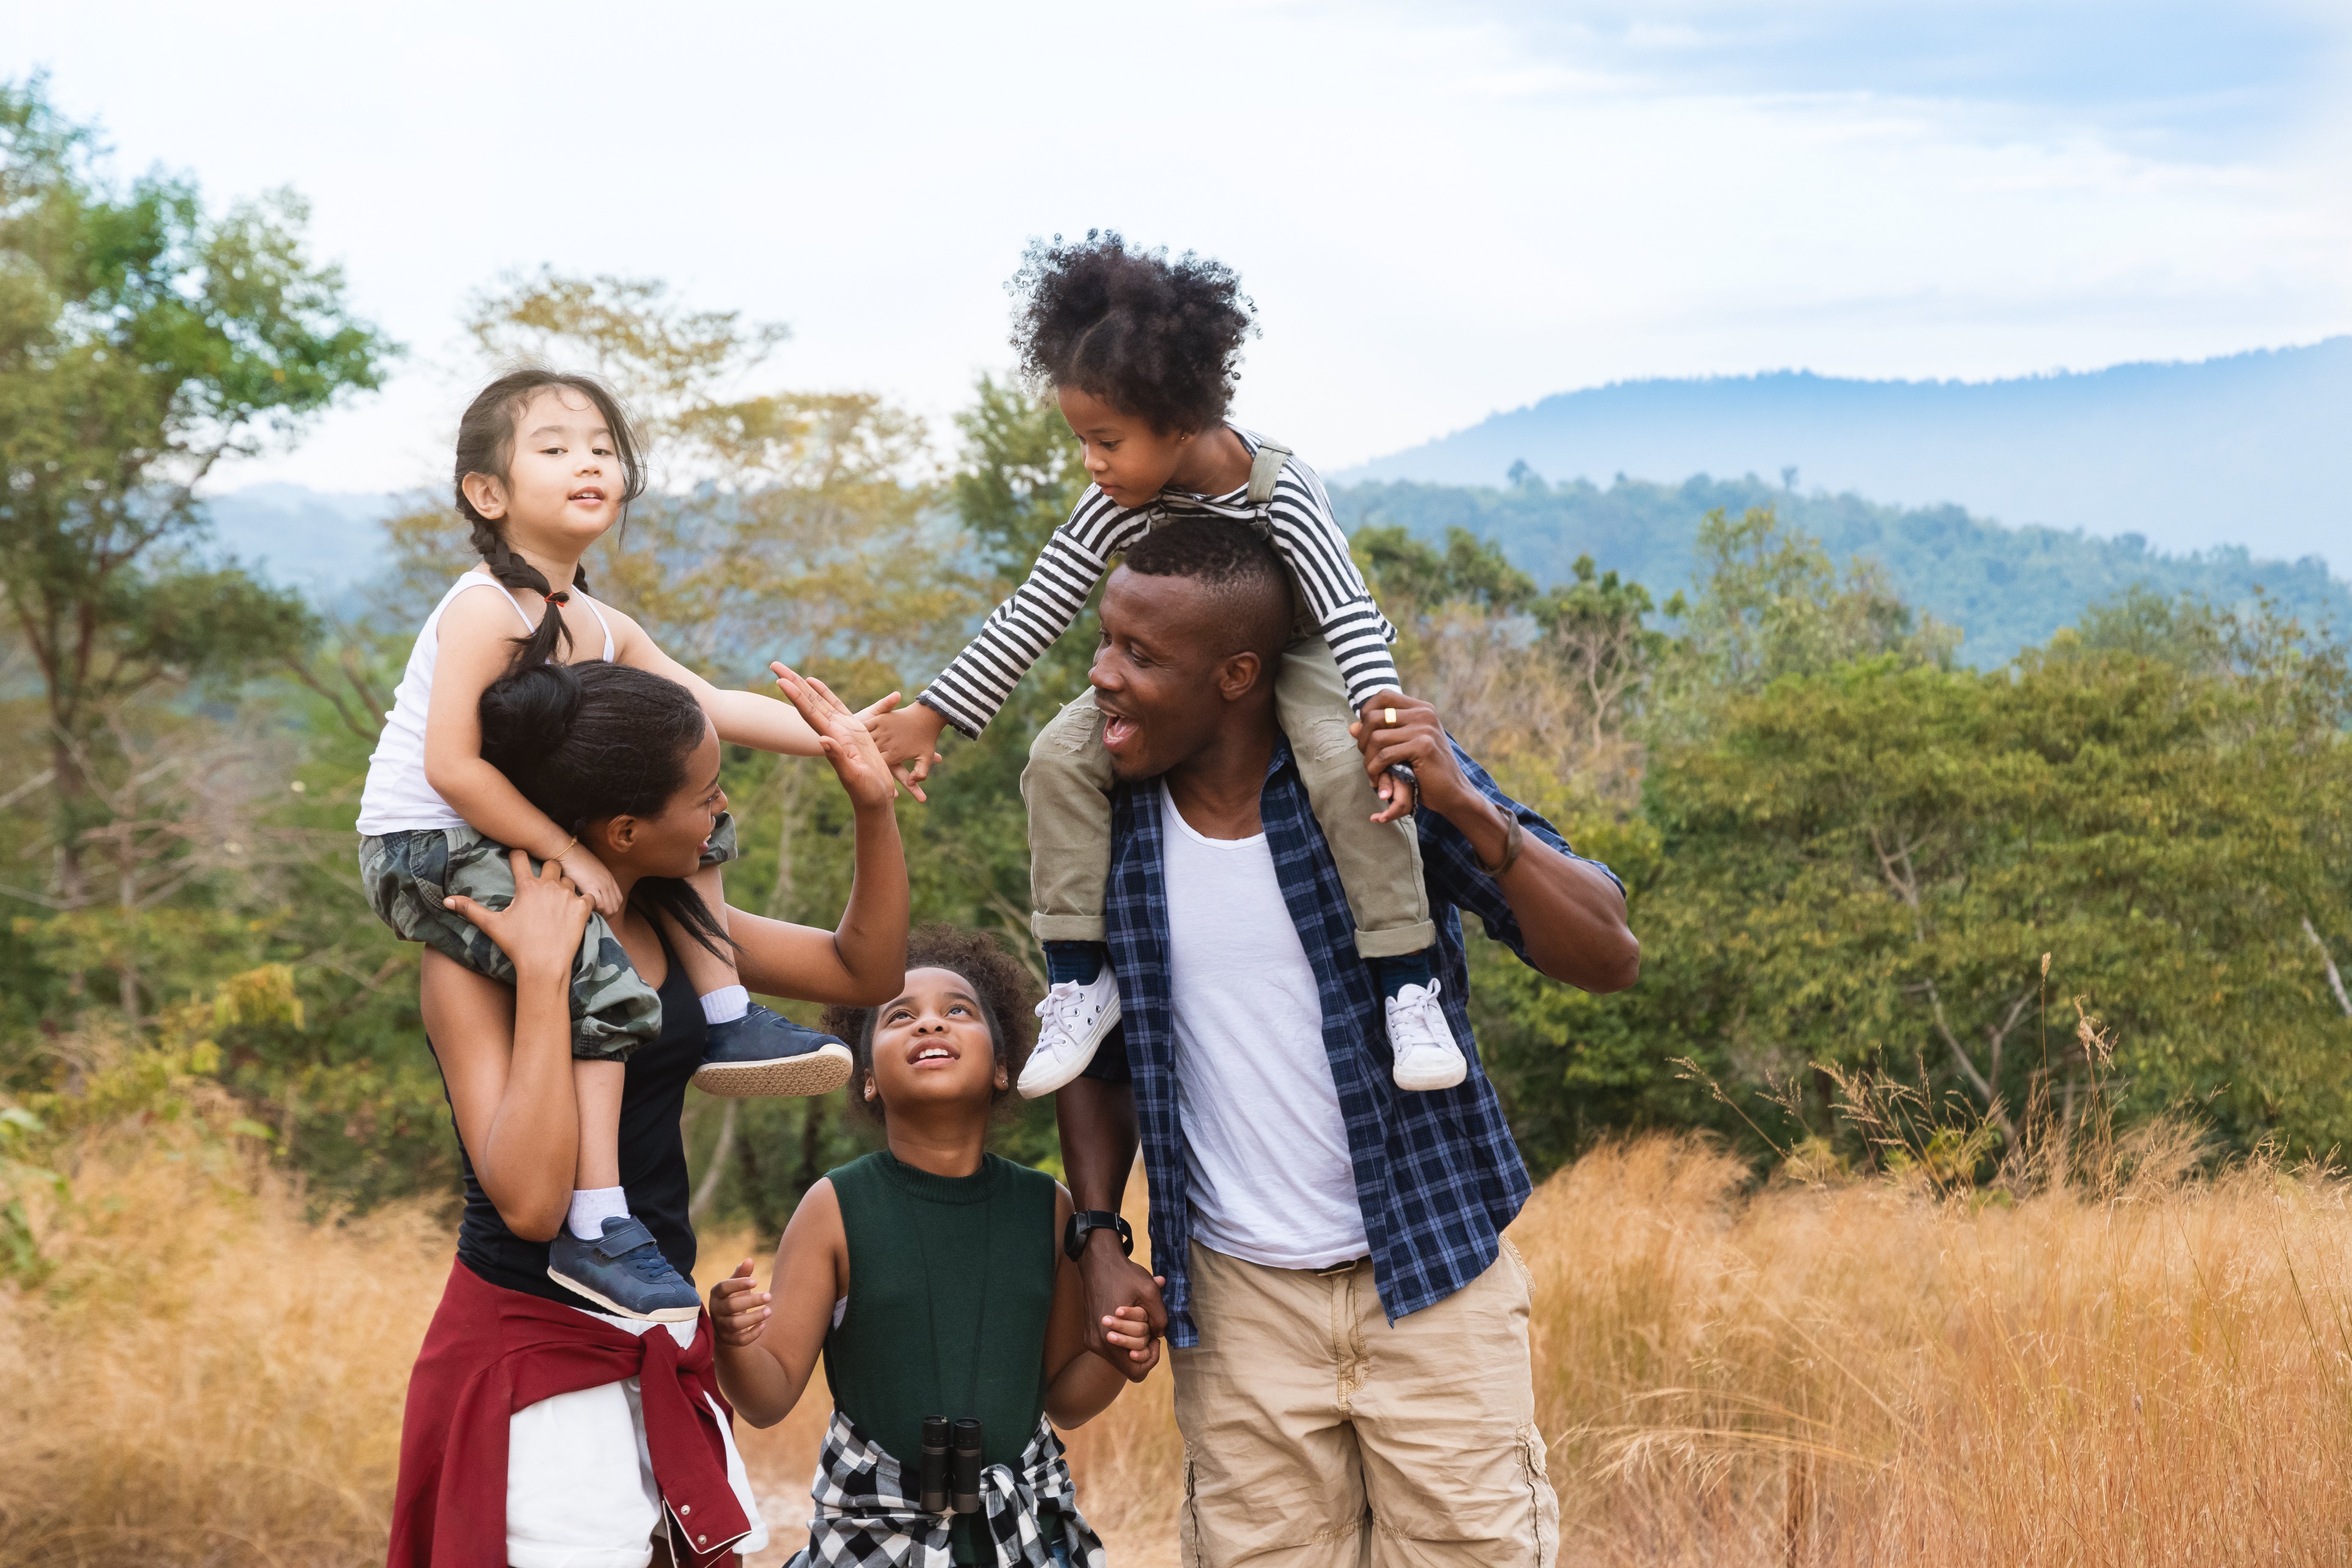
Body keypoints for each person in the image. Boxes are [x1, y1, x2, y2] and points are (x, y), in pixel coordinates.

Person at [1054, 518, 1641, 1567]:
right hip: (1239, 1304)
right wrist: (1100, 1238)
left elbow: (1608, 952)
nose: (1103, 675)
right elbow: (1098, 1051)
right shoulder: (1109, 814)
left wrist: (1465, 800)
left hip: (1432, 1274)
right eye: (1105, 641)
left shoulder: (1371, 782)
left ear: (1238, 673)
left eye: (1140, 655)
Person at [866, 232, 1470, 1100]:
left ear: (1182, 424)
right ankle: (1080, 977)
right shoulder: (1115, 498)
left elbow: (1344, 609)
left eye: (1106, 439)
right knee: (1056, 760)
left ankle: (1406, 983)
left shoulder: (1280, 489)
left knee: (1343, 768)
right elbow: (1043, 600)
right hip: (1174, 663)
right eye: (1081, 439)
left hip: (1299, 647)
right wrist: (935, 712)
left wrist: (1381, 721)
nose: (1091, 461)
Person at [357, 368, 891, 1319]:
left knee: (703, 806)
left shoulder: (597, 621)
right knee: (605, 977)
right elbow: (453, 768)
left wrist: (841, 739)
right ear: (489, 493)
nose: (589, 462)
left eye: (603, 446)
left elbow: (708, 707)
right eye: (554, 449)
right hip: (425, 846)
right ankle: (597, 1221)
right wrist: (570, 853)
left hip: (503, 830)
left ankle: (725, 1003)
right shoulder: (486, 607)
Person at [387, 656, 910, 1568]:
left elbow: (865, 973)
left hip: (657, 1326)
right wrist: (549, 982)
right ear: (624, 829)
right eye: (705, 797)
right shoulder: (471, 953)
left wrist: (875, 807)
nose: (721, 814)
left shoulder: (673, 912)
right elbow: (530, 1204)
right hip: (532, 1351)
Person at [704, 926, 1152, 1568]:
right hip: (870, 1537)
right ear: (866, 1080)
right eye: (901, 1017)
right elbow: (768, 1398)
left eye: (958, 1012)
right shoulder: (834, 1208)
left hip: (1018, 1538)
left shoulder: (1050, 1208)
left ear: (1003, 1066)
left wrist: (1117, 1347)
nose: (930, 1025)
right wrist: (735, 1341)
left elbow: (1067, 1399)